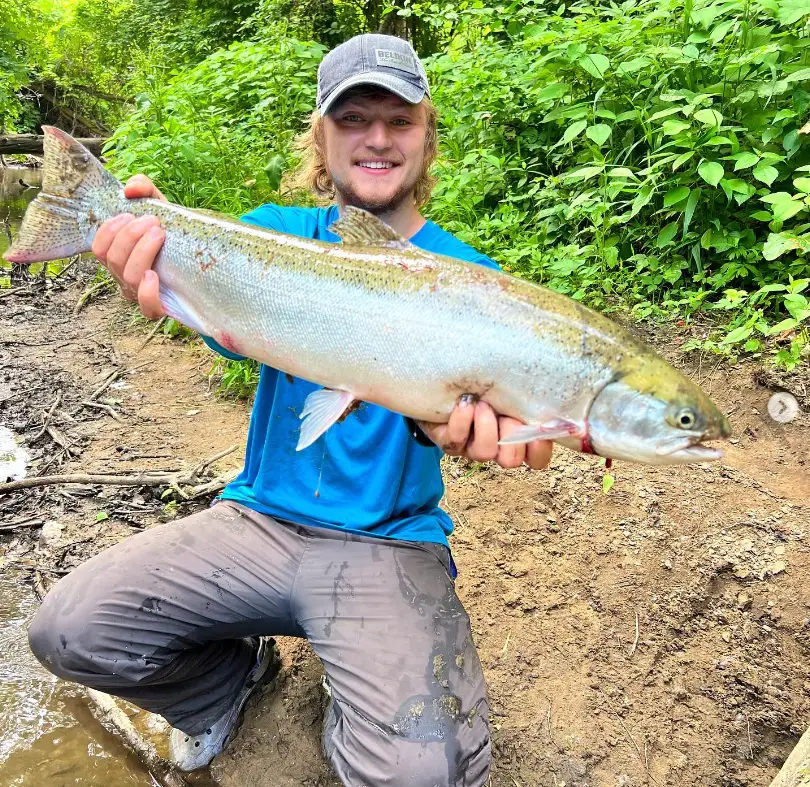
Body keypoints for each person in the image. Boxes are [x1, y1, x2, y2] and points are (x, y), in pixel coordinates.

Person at [28, 33, 553, 786]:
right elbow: (198, 259)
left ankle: (361, 689)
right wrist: (141, 236)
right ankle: (229, 686)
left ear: (427, 137)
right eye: (353, 119)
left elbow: (506, 420)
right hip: (257, 520)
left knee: (424, 775)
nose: (377, 138)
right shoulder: (273, 235)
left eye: (399, 121)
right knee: (67, 631)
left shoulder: (471, 281)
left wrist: (480, 428)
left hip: (389, 544)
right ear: (322, 135)